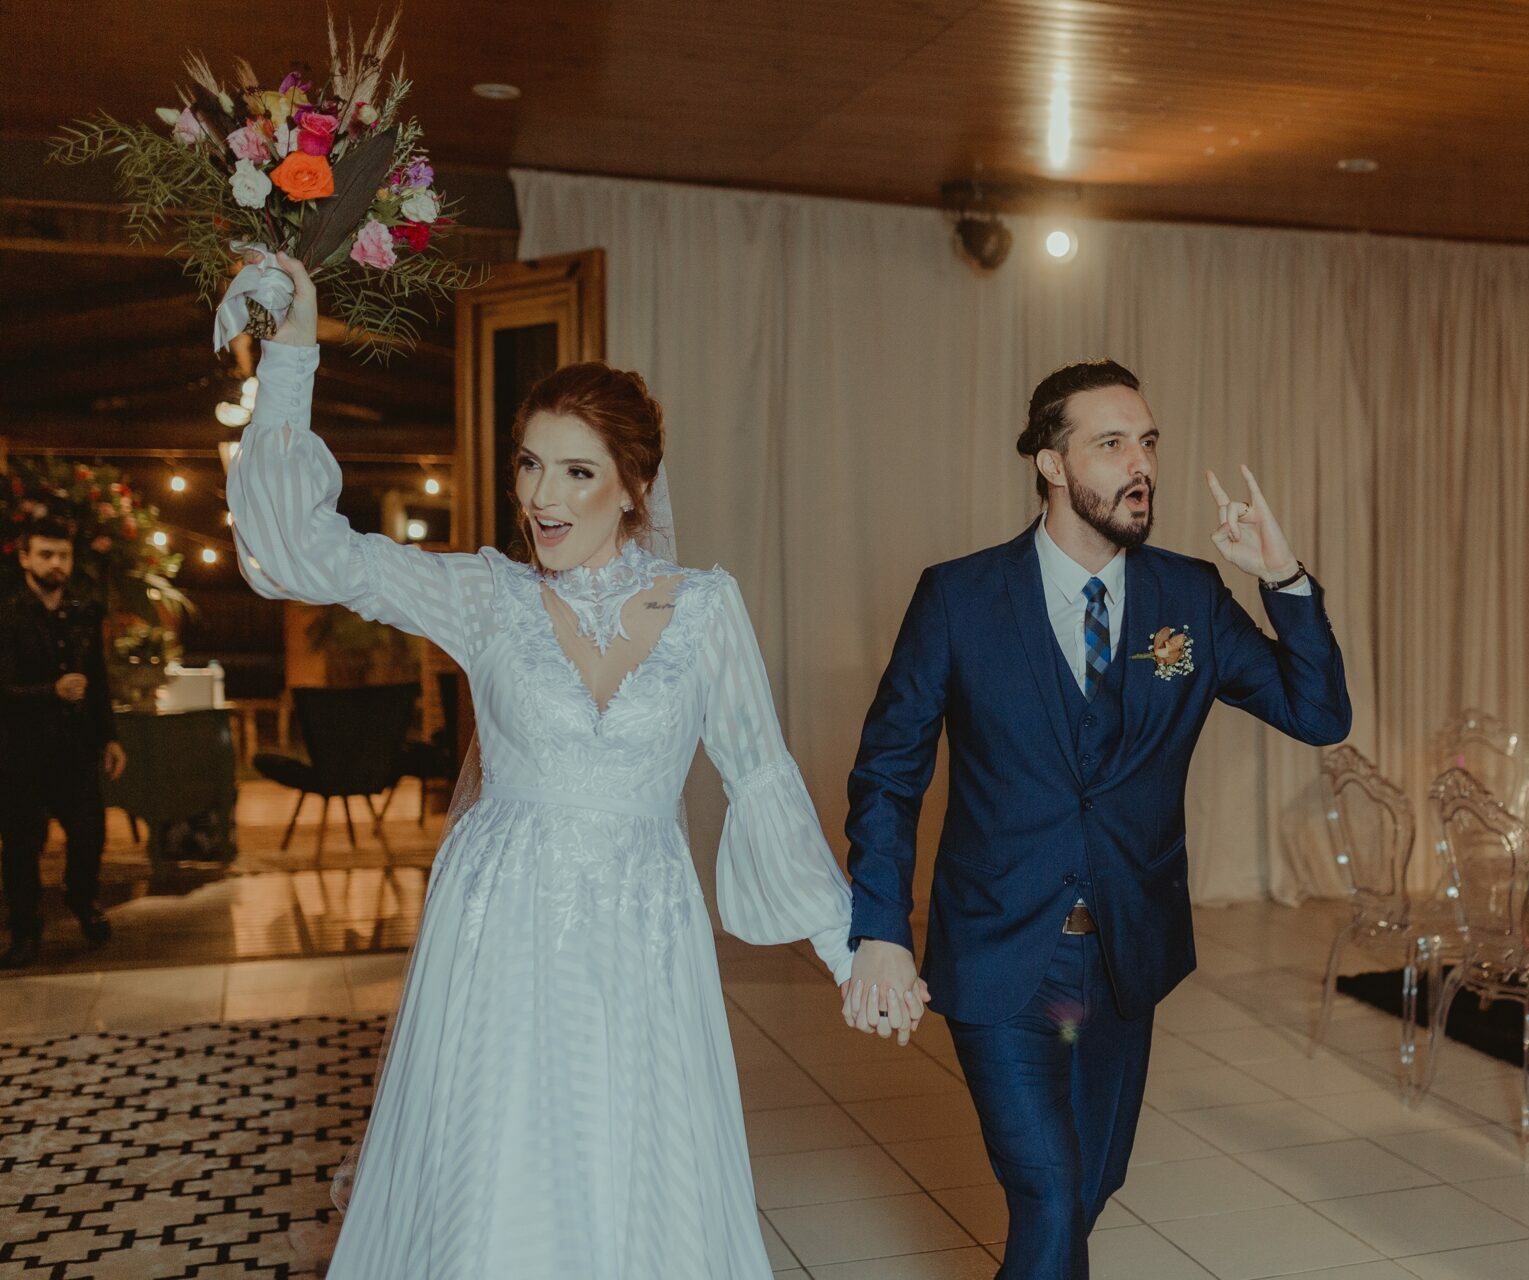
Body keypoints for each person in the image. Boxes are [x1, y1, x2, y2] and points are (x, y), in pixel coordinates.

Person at [229, 253, 896, 1278]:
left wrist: (850, 954)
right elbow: (300, 554)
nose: (542, 496)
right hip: (498, 924)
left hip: (643, 929)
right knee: (501, 1172)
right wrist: (291, 358)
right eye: (530, 464)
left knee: (632, 1167)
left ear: (635, 486)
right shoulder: (483, 594)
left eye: (577, 471)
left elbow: (761, 777)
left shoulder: (706, 608)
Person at [842, 359, 1352, 1279]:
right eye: (1111, 443)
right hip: (998, 949)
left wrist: (1282, 576)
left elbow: (1318, 714)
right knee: (1047, 1190)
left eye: (1147, 442)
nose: (1140, 464)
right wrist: (879, 929)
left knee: (1087, 1186)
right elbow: (888, 775)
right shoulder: (958, 597)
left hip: (1123, 955)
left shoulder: (1190, 597)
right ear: (1051, 462)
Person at [0, 517, 127, 969]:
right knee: (22, 843)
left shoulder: (82, 611)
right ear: (26, 558)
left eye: (64, 555)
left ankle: (82, 899)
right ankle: (24, 932)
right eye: (46, 554)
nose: (56, 563)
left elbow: (97, 680)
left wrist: (109, 737)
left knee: (90, 831)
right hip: (21, 750)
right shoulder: (9, 614)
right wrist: (50, 692)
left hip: (75, 747)